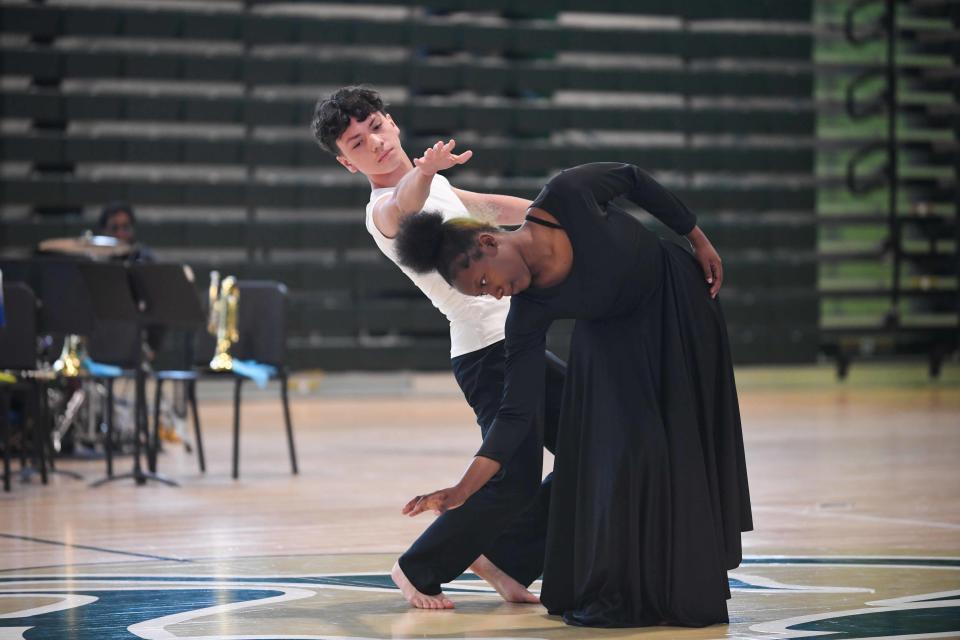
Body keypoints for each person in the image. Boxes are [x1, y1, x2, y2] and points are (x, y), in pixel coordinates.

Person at [394, 162, 753, 628]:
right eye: (482, 295)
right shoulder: (526, 312)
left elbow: (632, 179)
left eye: (484, 282)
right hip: (614, 345)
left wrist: (696, 237)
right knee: (623, 457)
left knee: (683, 444)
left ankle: (684, 585)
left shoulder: (566, 195)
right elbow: (516, 414)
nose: (495, 295)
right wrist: (462, 489)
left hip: (675, 306)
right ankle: (635, 589)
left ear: (489, 242)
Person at [311, 86, 566, 610]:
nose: (374, 143)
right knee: (513, 481)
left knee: (596, 444)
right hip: (486, 355)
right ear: (346, 163)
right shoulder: (384, 208)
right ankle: (416, 567)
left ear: (392, 123)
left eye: (376, 127)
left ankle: (505, 559)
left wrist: (562, 215)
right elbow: (406, 206)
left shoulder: (439, 185)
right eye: (357, 143)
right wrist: (422, 173)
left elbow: (492, 206)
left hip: (516, 339)